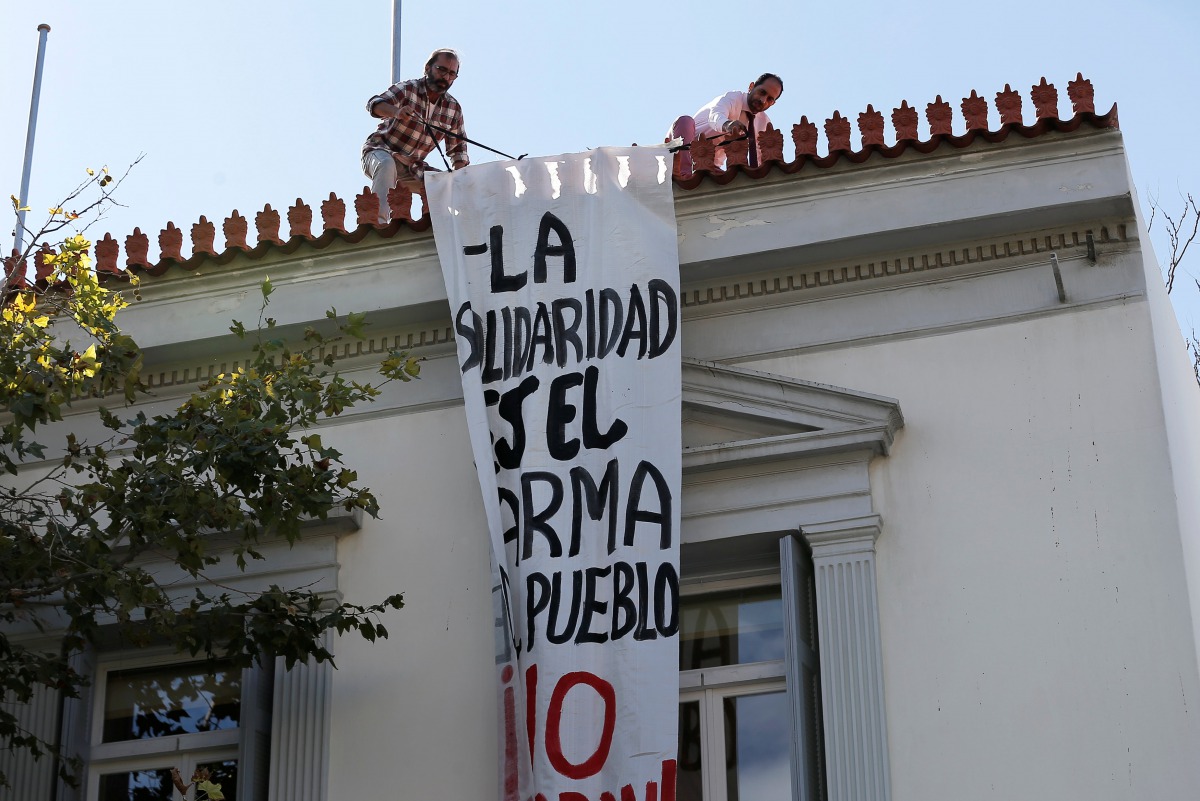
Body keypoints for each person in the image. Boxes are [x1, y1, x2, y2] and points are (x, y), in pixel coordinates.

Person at [362, 48, 469, 223]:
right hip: (380, 152)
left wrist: (459, 180)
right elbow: (374, 104)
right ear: (428, 68)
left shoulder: (453, 108)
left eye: (452, 74)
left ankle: (450, 230)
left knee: (447, 186)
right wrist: (396, 112)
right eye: (441, 70)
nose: (446, 77)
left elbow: (458, 151)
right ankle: (379, 224)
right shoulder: (408, 88)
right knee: (387, 164)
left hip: (412, 167)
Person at [669, 74, 783, 176]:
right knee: (685, 121)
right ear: (751, 86)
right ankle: (685, 174)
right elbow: (715, 117)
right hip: (681, 151)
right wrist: (728, 125)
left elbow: (760, 158)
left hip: (709, 165)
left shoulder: (763, 123)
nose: (763, 100)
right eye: (762, 92)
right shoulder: (732, 98)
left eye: (770, 99)